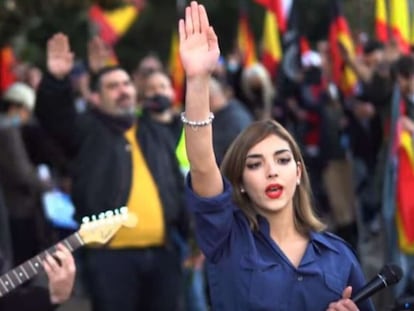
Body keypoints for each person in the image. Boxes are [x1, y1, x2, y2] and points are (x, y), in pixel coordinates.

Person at [178, 2, 375, 310]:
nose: (271, 171)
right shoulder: (226, 239)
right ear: (240, 182)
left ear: (298, 173)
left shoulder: (339, 255)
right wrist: (198, 80)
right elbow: (202, 165)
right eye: (254, 164)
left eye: (282, 160)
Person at [35, 33, 189, 311]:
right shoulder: (87, 130)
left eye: (127, 84)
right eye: (113, 86)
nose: (123, 90)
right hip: (110, 258)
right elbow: (54, 118)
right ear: (95, 97)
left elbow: (175, 184)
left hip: (163, 253)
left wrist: (192, 235)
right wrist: (56, 82)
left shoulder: (153, 131)